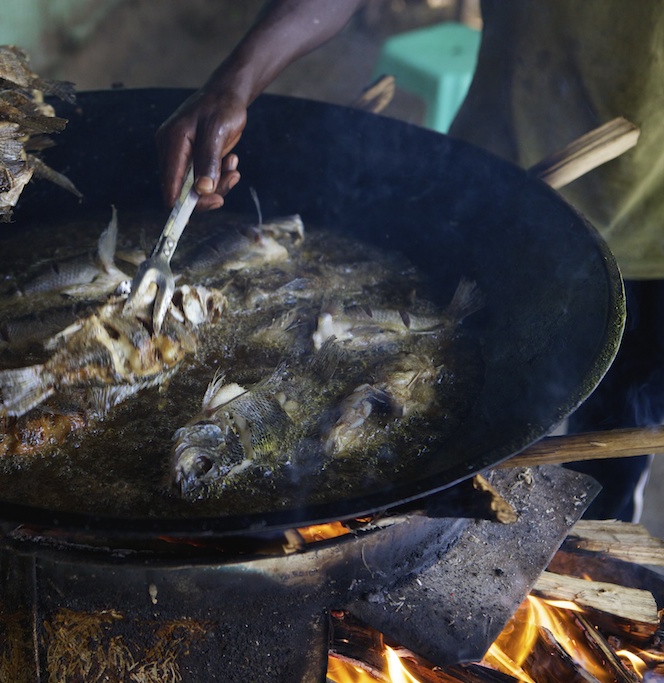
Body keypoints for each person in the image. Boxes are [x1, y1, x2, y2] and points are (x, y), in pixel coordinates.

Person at [157, 0, 664, 522]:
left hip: (656, 229)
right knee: (509, 416)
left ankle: (597, 542)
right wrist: (234, 83)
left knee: (618, 437)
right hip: (494, 169)